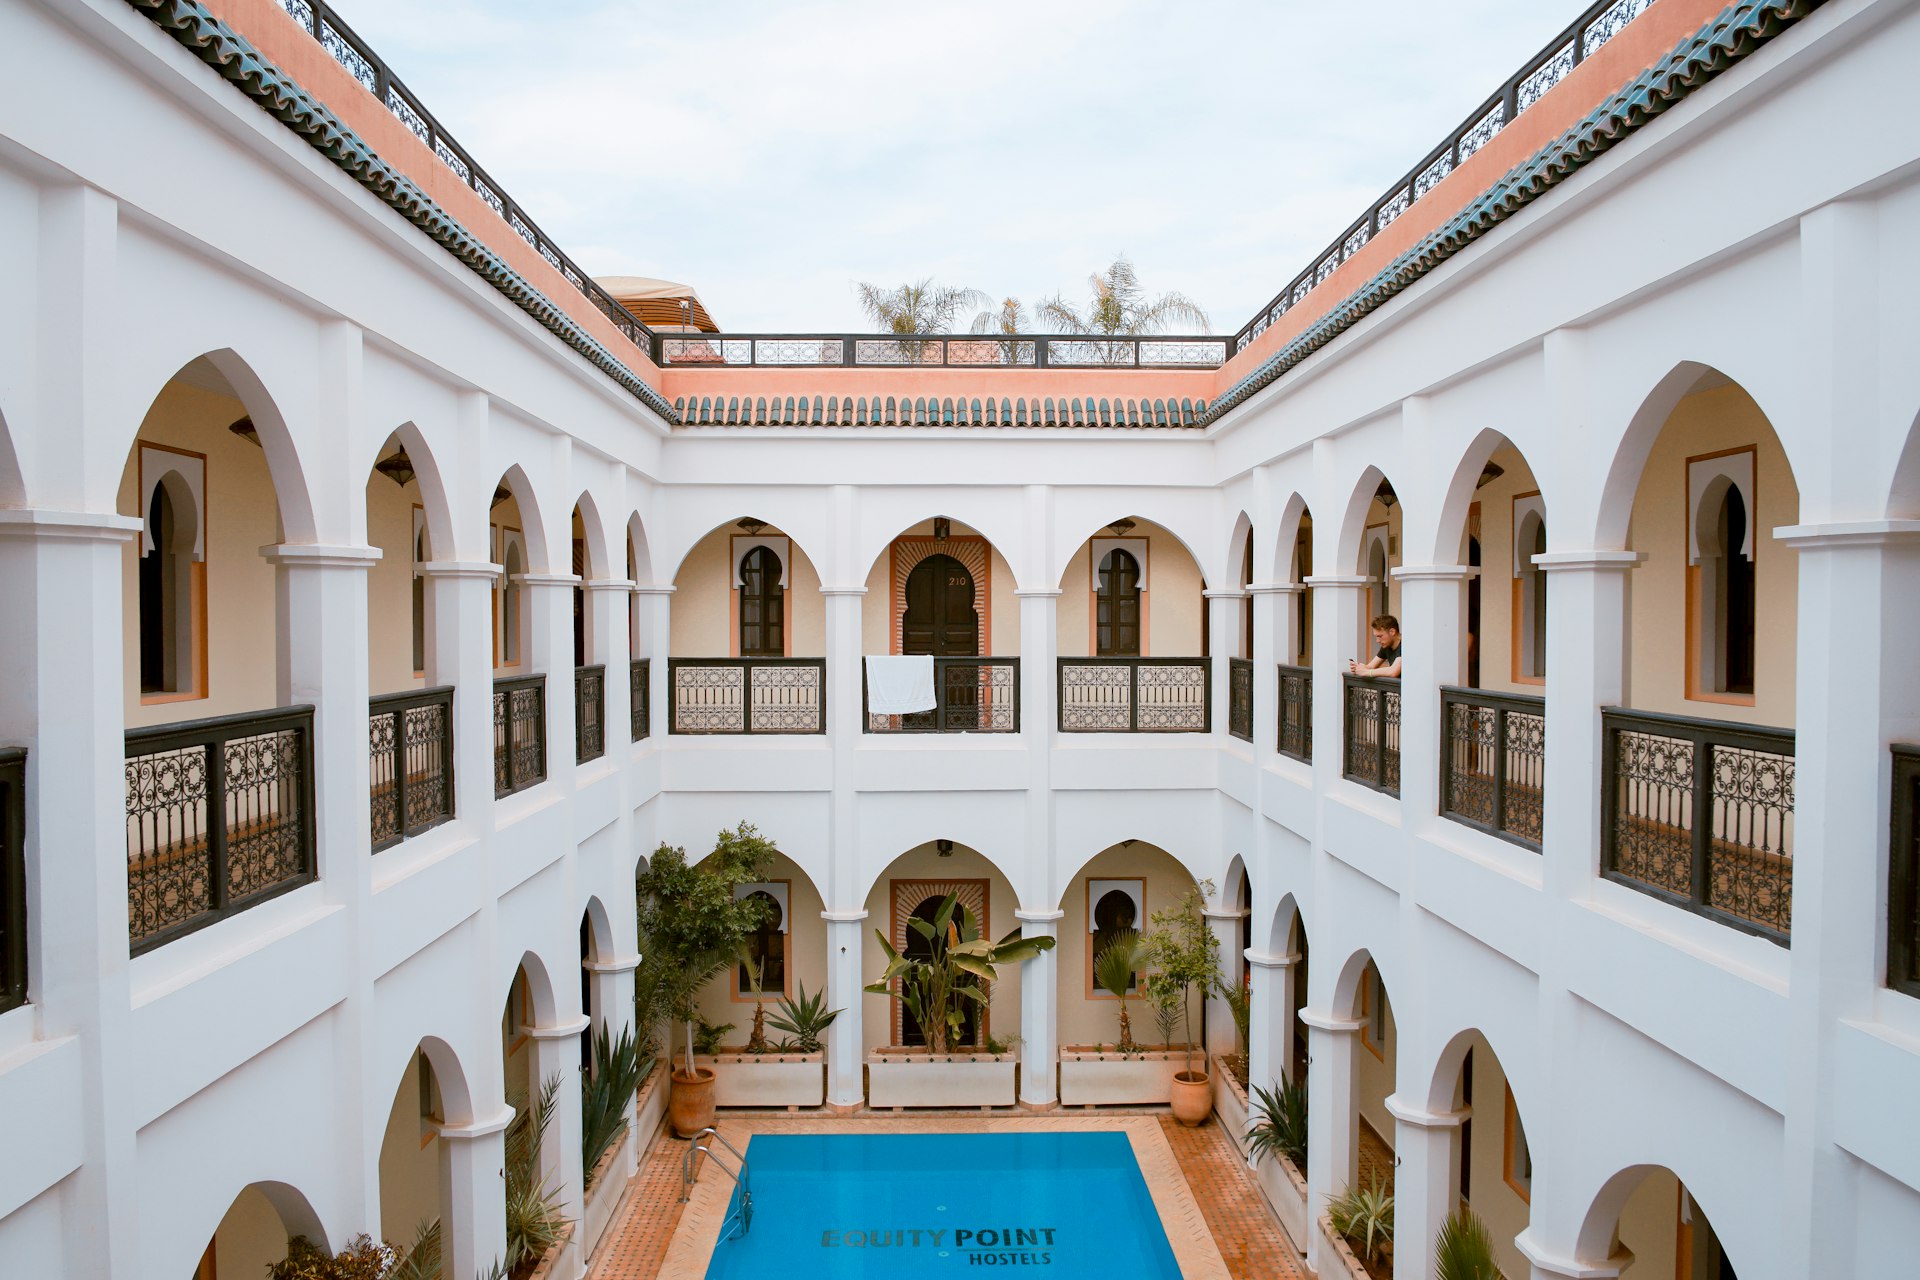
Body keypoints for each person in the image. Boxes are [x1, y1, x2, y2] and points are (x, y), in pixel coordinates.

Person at [1348, 614, 1402, 678]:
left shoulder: (1406, 646)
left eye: (1380, 636)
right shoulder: (1386, 646)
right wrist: (1359, 668)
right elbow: (1370, 666)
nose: (1377, 641)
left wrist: (1366, 672)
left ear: (1392, 632)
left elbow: (1393, 671)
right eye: (1376, 637)